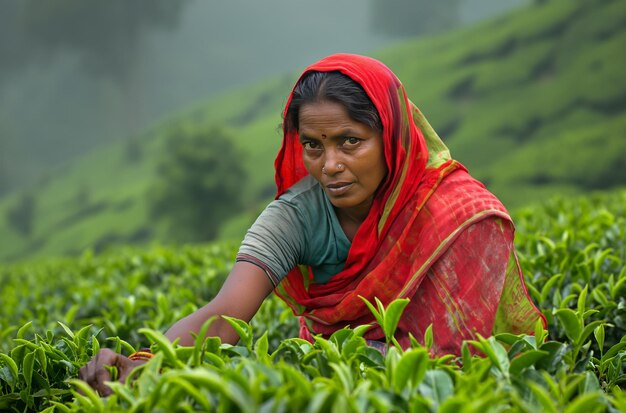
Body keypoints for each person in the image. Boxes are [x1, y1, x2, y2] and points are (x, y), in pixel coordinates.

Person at [80, 53, 544, 395]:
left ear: (392, 137)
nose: (330, 165)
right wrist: (142, 364)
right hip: (335, 386)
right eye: (313, 145)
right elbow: (223, 315)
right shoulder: (296, 214)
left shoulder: (457, 214)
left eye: (350, 142)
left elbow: (469, 355)